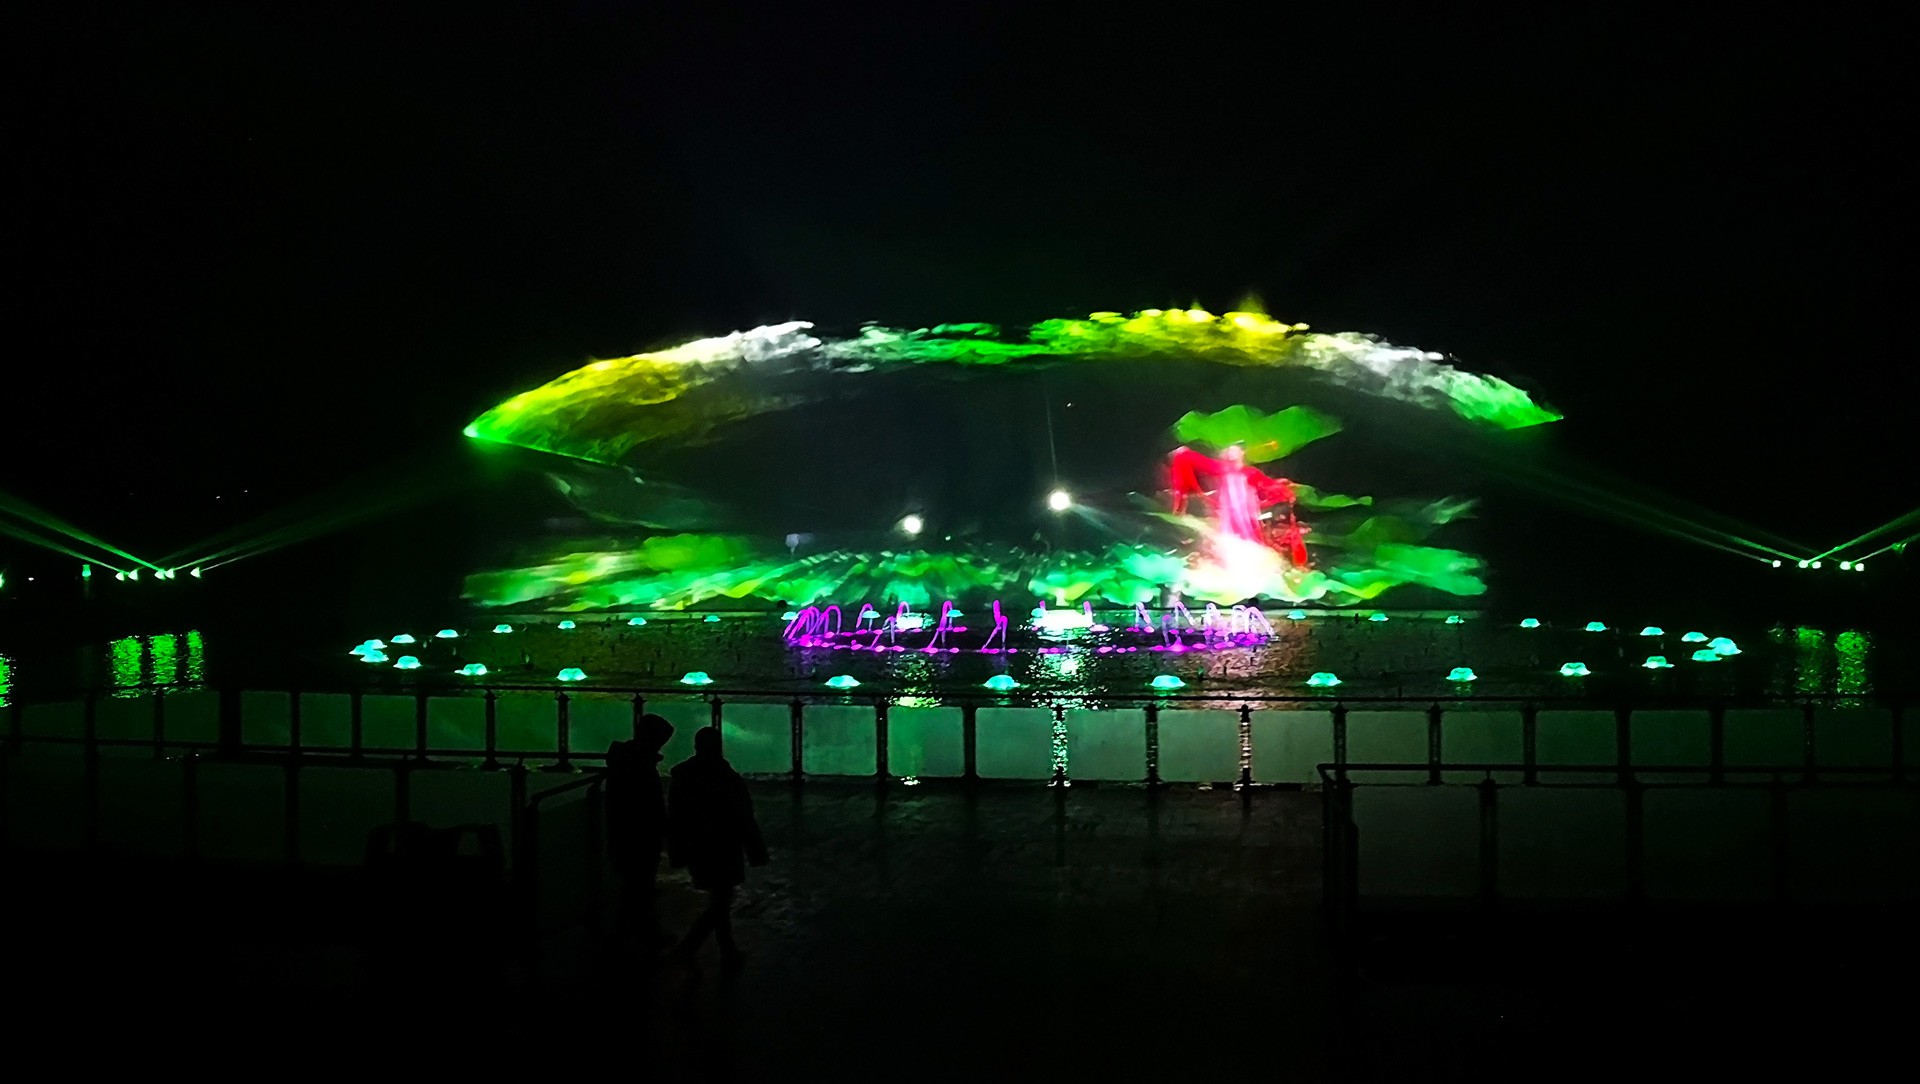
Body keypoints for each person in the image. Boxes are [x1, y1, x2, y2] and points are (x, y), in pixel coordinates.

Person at [666, 726, 767, 968]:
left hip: (696, 847)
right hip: (724, 847)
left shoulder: (683, 778)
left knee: (719, 899)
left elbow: (675, 819)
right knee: (721, 900)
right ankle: (694, 947)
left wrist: (676, 851)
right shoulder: (727, 778)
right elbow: (743, 816)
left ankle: (725, 949)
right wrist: (755, 850)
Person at [605, 713, 675, 948]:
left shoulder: (624, 761)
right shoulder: (640, 767)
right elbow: (648, 806)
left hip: (626, 836)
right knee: (640, 887)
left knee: (635, 888)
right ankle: (632, 937)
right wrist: (663, 827)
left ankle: (638, 935)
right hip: (640, 838)